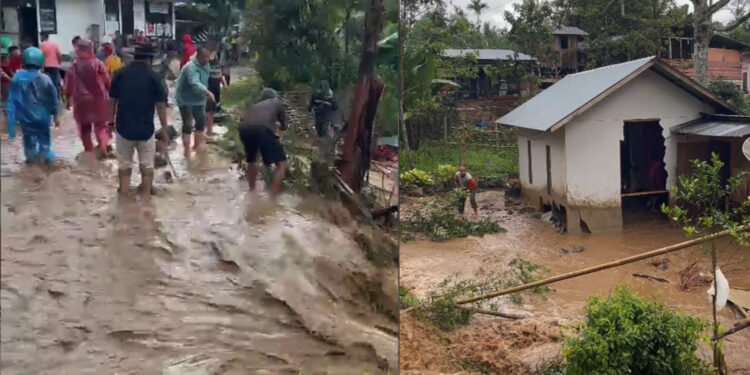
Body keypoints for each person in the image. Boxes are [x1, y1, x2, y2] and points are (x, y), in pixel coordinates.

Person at [109, 44, 169, 196]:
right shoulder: (154, 77)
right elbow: (161, 106)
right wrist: (164, 129)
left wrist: (110, 122)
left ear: (135, 57)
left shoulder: (119, 74)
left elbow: (111, 101)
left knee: (124, 165)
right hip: (146, 129)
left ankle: (123, 197)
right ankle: (146, 200)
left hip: (123, 128)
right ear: (149, 59)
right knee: (147, 166)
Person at [7, 47, 60, 164]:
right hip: (44, 118)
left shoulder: (17, 78)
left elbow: (12, 101)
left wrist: (11, 124)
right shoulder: (46, 79)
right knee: (44, 141)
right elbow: (53, 98)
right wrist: (56, 116)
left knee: (29, 142)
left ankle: (32, 165)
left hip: (26, 119)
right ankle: (47, 162)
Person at [65, 39, 112, 157]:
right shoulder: (98, 63)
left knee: (84, 129)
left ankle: (89, 153)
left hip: (81, 101)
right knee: (101, 127)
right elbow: (108, 81)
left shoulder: (74, 66)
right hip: (99, 99)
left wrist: (67, 99)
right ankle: (103, 148)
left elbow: (68, 85)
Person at [239, 88, 288, 198]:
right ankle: (272, 198)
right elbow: (284, 125)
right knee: (282, 164)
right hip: (261, 129)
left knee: (251, 160)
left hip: (244, 129)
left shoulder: (255, 105)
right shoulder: (276, 102)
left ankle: (252, 191)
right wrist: (279, 133)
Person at [175, 46, 213, 155]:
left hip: (199, 98)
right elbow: (195, 83)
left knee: (200, 122)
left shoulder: (207, 65)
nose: (207, 60)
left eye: (208, 57)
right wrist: (207, 92)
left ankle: (197, 147)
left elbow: (205, 80)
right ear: (198, 57)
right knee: (188, 123)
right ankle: (186, 150)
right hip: (185, 98)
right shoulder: (190, 67)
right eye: (204, 58)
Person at [205, 44, 227, 137]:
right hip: (208, 86)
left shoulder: (217, 58)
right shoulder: (206, 59)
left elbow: (219, 72)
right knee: (209, 110)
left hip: (216, 86)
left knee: (212, 109)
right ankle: (207, 132)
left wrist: (224, 84)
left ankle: (209, 130)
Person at [40, 32, 63, 98]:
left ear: (43, 37)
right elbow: (59, 54)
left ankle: (47, 96)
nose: (40, 38)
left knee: (45, 82)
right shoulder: (55, 44)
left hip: (45, 66)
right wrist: (59, 62)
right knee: (55, 82)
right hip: (54, 65)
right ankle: (55, 97)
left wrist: (41, 66)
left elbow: (41, 56)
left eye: (41, 37)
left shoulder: (42, 45)